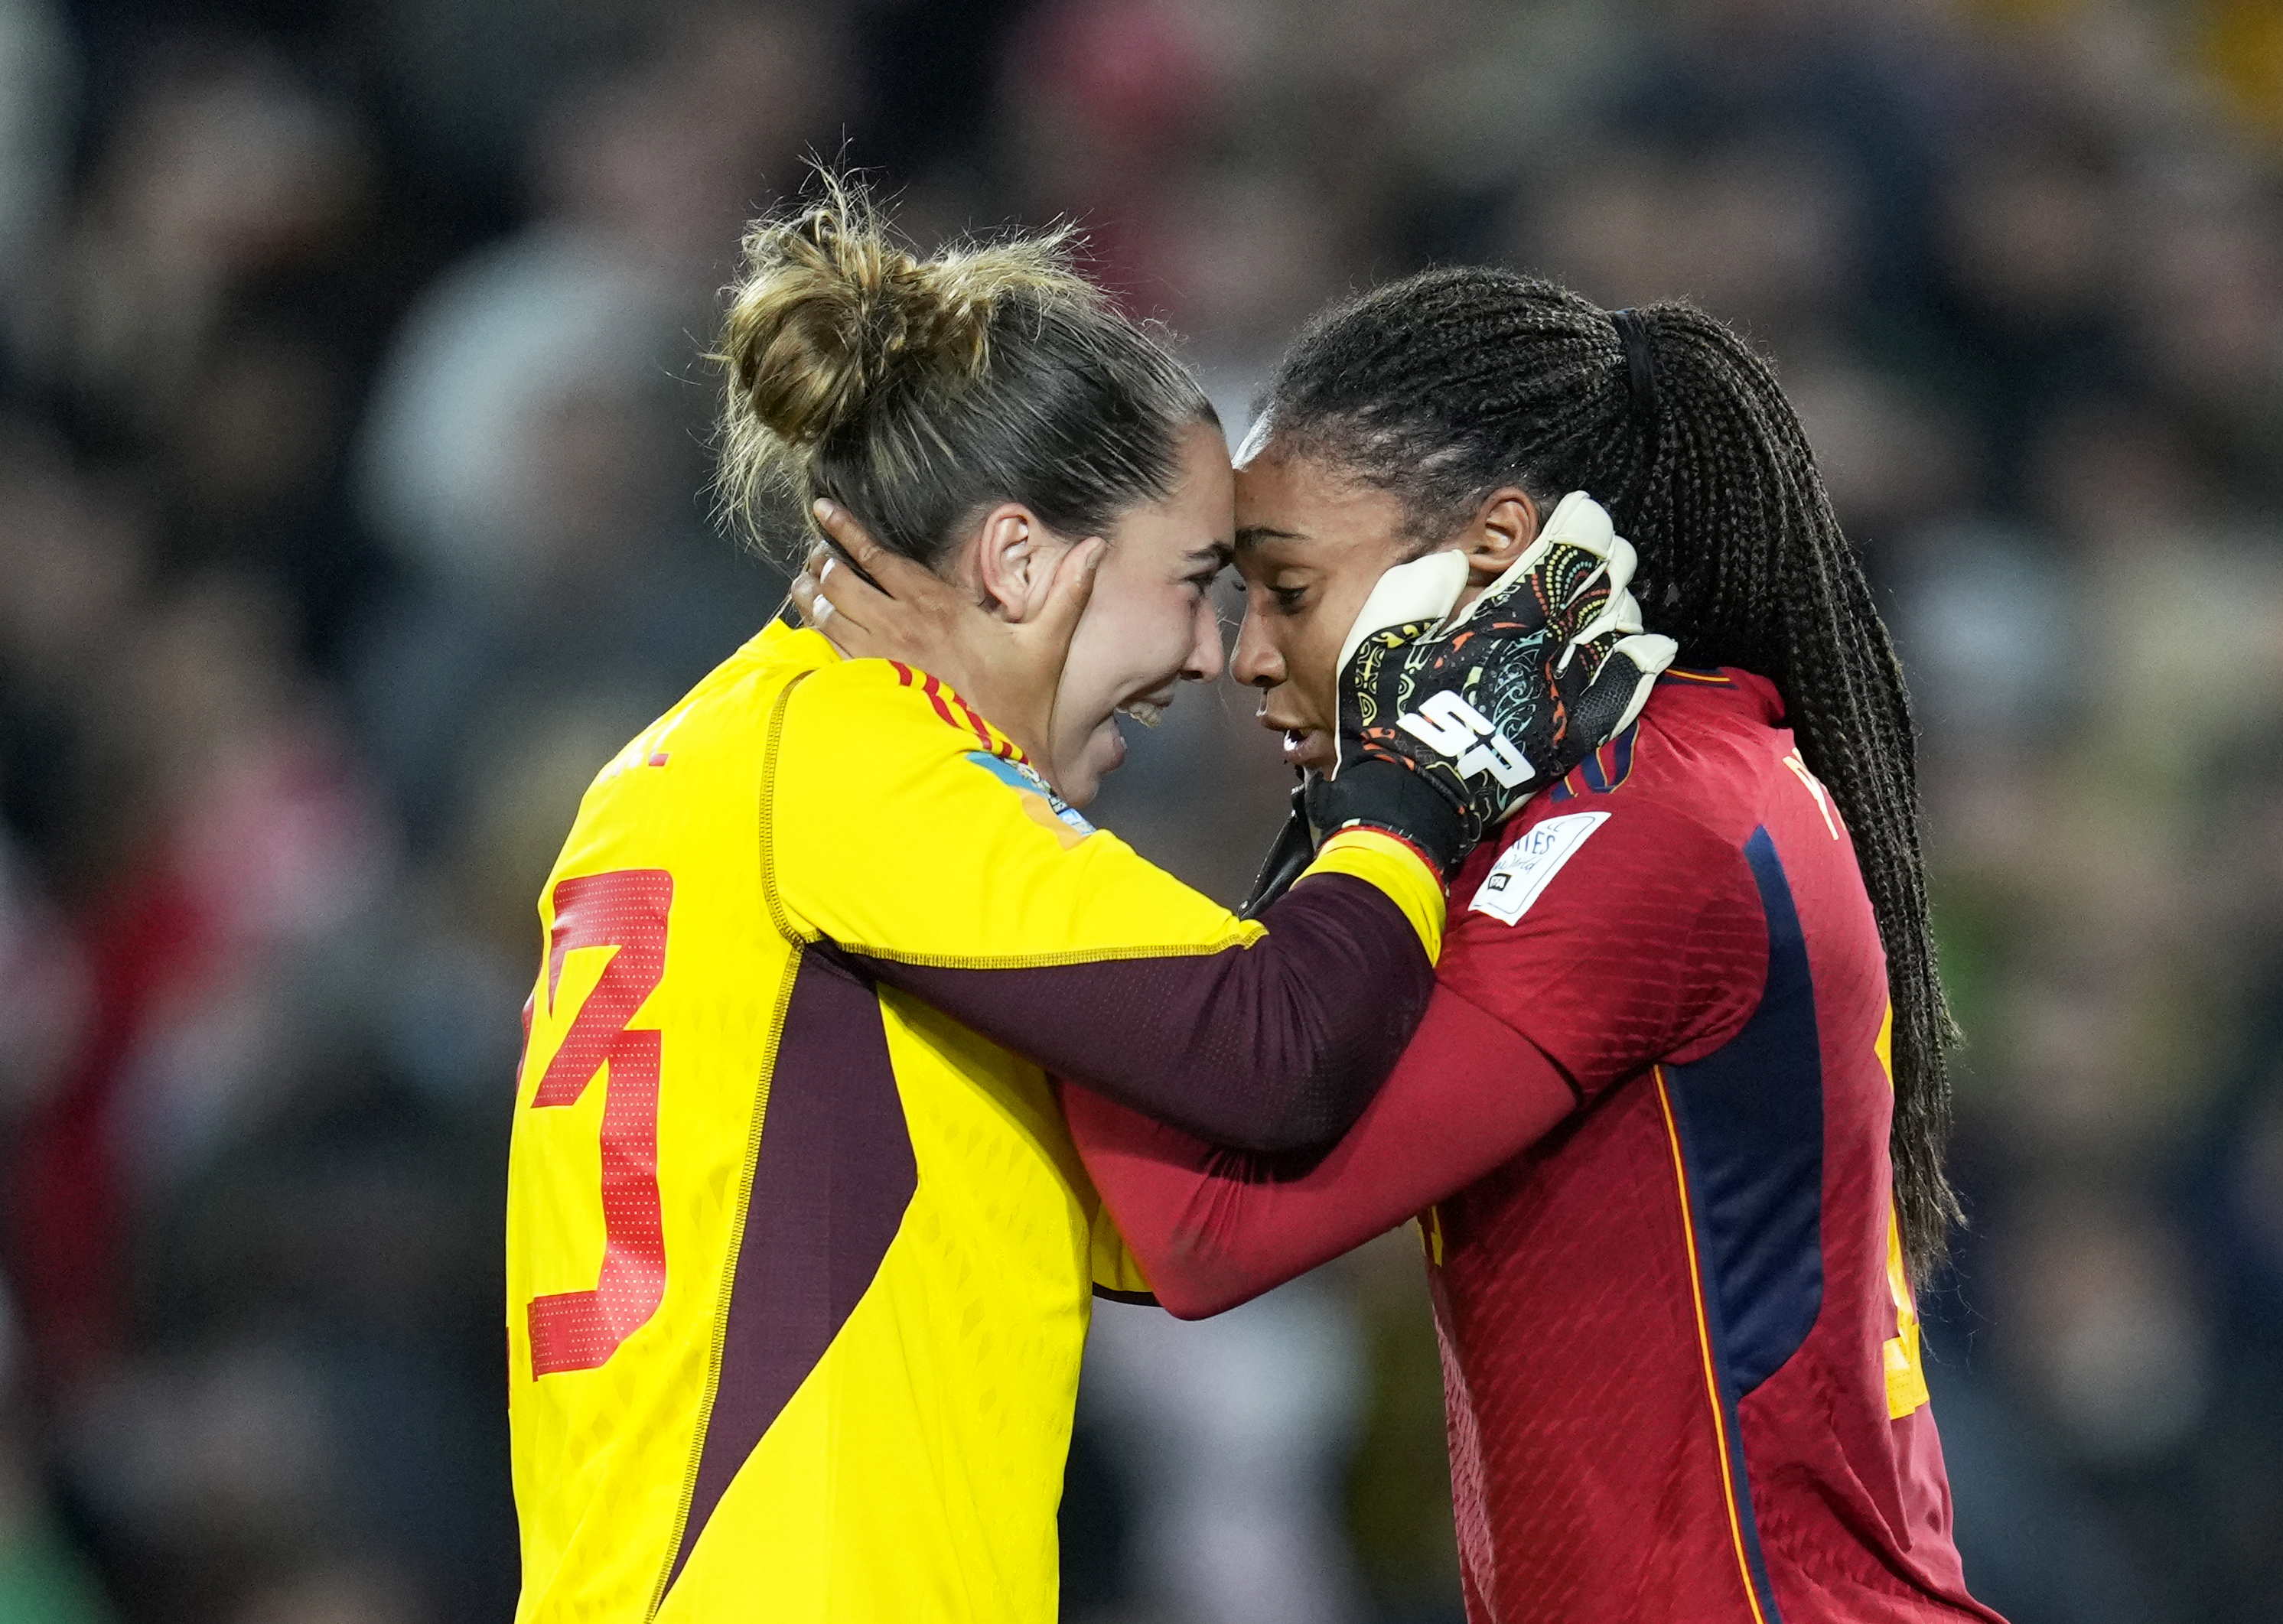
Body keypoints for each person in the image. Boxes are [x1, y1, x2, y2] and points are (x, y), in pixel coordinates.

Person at [503, 187, 1642, 1624]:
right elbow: (1269, 1047)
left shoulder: (738, 765)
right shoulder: (852, 760)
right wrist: (1419, 778)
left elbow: (1178, 1191)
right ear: (1019, 560)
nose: (1211, 651)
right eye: (1190, 582)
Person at [818, 269, 2005, 1623]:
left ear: (1491, 549)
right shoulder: (1618, 788)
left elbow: (1202, 1233)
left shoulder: (1649, 831)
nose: (1245, 656)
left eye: (1286, 588)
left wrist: (963, 831)